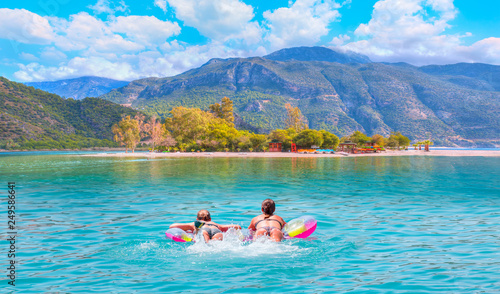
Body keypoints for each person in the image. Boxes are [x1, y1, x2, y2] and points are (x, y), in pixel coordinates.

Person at [169, 209, 241, 242]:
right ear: (210, 219)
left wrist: (188, 229)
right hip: (216, 230)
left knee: (205, 245)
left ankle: (197, 230)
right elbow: (238, 227)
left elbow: (172, 226)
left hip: (204, 230)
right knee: (215, 246)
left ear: (197, 219)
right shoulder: (216, 224)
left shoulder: (193, 223)